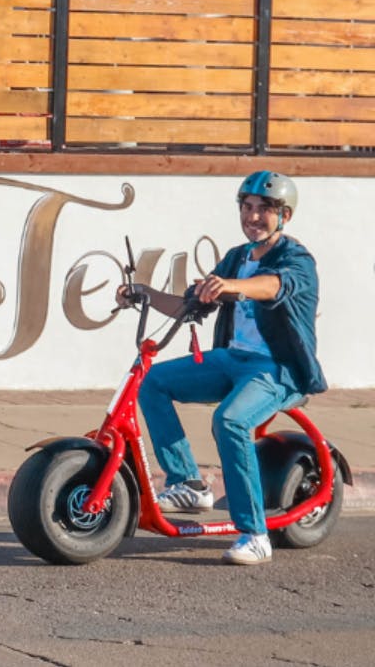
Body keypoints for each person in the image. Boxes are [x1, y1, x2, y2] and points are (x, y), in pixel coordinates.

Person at [116, 171, 326, 566]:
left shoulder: (296, 259)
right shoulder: (236, 257)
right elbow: (187, 306)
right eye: (247, 208)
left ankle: (255, 534)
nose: (254, 217)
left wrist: (232, 286)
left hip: (279, 369)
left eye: (265, 209)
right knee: (154, 382)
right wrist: (142, 293)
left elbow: (274, 287)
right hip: (232, 360)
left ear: (285, 216)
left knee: (229, 420)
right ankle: (188, 484)